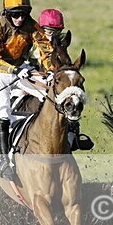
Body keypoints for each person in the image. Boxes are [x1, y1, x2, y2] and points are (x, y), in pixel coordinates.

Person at [0, 0, 54, 181]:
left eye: (24, 14)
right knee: (3, 112)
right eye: (15, 14)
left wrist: (50, 69)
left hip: (21, 68)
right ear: (7, 13)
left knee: (50, 93)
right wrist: (14, 70)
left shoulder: (31, 25)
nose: (20, 18)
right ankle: (4, 162)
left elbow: (45, 48)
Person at [26, 8, 93, 151]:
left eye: (56, 31)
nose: (52, 35)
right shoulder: (31, 43)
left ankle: (74, 135)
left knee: (70, 98)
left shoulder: (61, 48)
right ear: (42, 29)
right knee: (14, 99)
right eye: (49, 31)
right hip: (28, 82)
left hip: (50, 84)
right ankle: (6, 140)